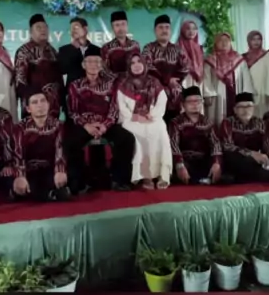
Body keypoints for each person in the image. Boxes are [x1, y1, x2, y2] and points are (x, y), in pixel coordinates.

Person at [66, 50, 135, 193]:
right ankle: (80, 182)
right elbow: (73, 111)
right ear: (83, 65)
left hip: (105, 124)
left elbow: (114, 108)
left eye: (97, 62)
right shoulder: (75, 85)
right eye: (90, 62)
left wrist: (105, 125)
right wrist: (86, 125)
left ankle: (119, 180)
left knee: (126, 138)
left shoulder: (110, 84)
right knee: (70, 141)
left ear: (102, 65)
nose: (94, 65)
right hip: (85, 125)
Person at [1, 88, 70, 202]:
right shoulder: (20, 128)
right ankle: (49, 194)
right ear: (28, 109)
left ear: (48, 105)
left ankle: (41, 193)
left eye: (43, 101)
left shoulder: (58, 126)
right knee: (7, 177)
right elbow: (18, 154)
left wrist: (60, 170)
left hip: (49, 168)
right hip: (28, 170)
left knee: (69, 176)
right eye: (35, 102)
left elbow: (60, 150)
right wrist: (20, 176)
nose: (40, 105)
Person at [116, 53, 172, 190]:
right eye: (132, 63)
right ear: (129, 66)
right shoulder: (123, 84)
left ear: (144, 64)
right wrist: (136, 117)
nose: (136, 65)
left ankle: (162, 174)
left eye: (139, 62)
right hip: (131, 119)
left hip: (152, 117)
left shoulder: (154, 82)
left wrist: (150, 115)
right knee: (138, 134)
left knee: (160, 130)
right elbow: (120, 106)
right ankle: (146, 175)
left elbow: (162, 101)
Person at [220, 92, 269, 183]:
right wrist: (251, 154)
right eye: (241, 107)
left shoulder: (260, 123)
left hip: (256, 159)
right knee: (236, 159)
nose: (245, 110)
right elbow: (227, 146)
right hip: (238, 158)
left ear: (253, 108)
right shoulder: (228, 122)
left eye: (249, 106)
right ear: (235, 110)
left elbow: (268, 142)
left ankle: (266, 174)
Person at [168, 86, 222, 185]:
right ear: (183, 105)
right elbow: (173, 145)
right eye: (190, 102)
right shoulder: (176, 122)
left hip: (203, 160)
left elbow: (216, 144)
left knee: (221, 166)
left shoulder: (208, 122)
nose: (195, 104)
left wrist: (216, 163)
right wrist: (180, 165)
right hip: (184, 160)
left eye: (197, 101)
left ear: (202, 103)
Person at [15, 13, 62, 119]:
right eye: (38, 27)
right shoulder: (24, 51)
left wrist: (61, 98)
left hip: (53, 106)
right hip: (34, 107)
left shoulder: (52, 51)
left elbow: (59, 78)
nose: (43, 30)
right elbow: (20, 81)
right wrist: (30, 102)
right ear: (31, 32)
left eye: (45, 27)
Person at [143, 14, 189, 121]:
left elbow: (185, 67)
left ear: (170, 30)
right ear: (155, 31)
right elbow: (147, 66)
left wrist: (175, 79)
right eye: (161, 27)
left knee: (174, 122)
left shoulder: (177, 49)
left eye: (167, 27)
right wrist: (167, 80)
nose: (164, 30)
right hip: (154, 93)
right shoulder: (148, 48)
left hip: (174, 94)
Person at [203, 33, 254, 127]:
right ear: (216, 43)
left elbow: (246, 77)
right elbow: (206, 78)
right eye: (220, 41)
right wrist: (208, 94)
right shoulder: (210, 60)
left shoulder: (238, 59)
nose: (224, 43)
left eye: (226, 40)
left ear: (230, 43)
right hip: (217, 96)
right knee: (218, 119)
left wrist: (247, 95)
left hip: (237, 92)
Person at [58, 17, 101, 92]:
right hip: (72, 92)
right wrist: (74, 50)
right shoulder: (64, 50)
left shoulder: (97, 50)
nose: (73, 30)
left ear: (85, 29)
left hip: (93, 91)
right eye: (71, 28)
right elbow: (62, 70)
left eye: (76, 27)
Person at [243, 30, 269, 117]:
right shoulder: (243, 57)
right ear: (249, 41)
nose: (256, 42)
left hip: (263, 92)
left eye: (258, 39)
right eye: (253, 39)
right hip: (248, 91)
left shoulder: (267, 55)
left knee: (264, 115)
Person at [101, 10, 140, 77]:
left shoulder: (135, 45)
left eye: (123, 24)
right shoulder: (107, 48)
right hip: (115, 82)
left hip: (134, 81)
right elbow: (104, 71)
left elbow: (140, 65)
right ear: (112, 27)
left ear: (127, 25)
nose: (121, 28)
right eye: (117, 25)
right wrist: (120, 80)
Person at [179, 19, 205, 92]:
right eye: (188, 28)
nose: (191, 31)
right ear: (183, 30)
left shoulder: (199, 48)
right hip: (184, 79)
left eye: (194, 29)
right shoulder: (177, 47)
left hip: (198, 81)